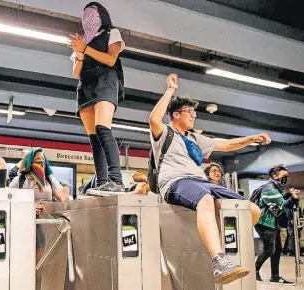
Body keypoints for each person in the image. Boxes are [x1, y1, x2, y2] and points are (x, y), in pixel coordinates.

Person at [148, 73, 267, 284]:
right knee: (205, 200)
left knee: (252, 210)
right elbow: (153, 119)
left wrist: (251, 139)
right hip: (175, 181)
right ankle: (218, 260)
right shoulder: (164, 133)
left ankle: (221, 245)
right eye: (189, 112)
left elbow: (226, 145)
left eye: (194, 112)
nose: (194, 115)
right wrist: (170, 90)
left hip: (199, 182)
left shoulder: (194, 138)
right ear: (175, 115)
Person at [68, 2, 126, 194]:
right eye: (85, 13)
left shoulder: (112, 33)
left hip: (106, 81)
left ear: (101, 14)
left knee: (103, 129)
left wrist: (85, 49)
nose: (88, 17)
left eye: (92, 12)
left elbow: (111, 59)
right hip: (85, 86)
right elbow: (76, 72)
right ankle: (102, 181)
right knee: (94, 138)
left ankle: (116, 180)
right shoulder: (82, 40)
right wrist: (81, 54)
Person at [9, 147, 69, 262]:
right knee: (27, 253)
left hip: (47, 223)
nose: (40, 162)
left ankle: (39, 277)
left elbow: (62, 198)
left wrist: (64, 199)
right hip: (25, 223)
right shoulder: (19, 180)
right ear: (29, 161)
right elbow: (8, 201)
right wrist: (29, 208)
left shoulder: (50, 180)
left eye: (42, 159)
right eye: (37, 159)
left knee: (44, 253)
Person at [254, 165, 299, 285]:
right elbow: (283, 206)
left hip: (272, 223)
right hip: (264, 223)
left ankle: (275, 276)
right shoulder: (270, 188)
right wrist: (293, 198)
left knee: (277, 249)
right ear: (275, 176)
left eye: (287, 176)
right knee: (269, 250)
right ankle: (254, 271)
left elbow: (278, 204)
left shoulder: (275, 188)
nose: (286, 178)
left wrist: (289, 196)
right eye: (284, 176)